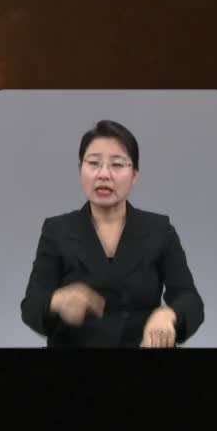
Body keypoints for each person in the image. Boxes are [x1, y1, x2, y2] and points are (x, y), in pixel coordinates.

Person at [19, 119, 205, 347]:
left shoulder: (160, 230)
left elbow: (191, 299)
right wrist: (57, 301)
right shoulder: (56, 230)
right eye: (94, 163)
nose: (103, 174)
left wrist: (169, 315)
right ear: (80, 170)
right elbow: (31, 306)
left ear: (135, 175)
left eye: (117, 165)